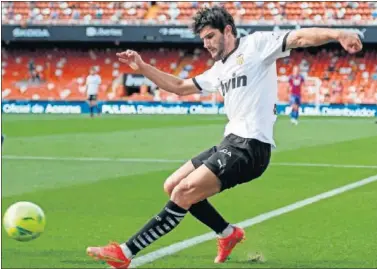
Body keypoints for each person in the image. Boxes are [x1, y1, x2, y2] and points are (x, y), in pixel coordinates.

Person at [86, 6, 362, 268]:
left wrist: (338, 34)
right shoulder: (219, 69)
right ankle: (227, 233)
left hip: (251, 147)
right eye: (202, 38)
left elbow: (299, 37)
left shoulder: (256, 45)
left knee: (184, 192)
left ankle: (125, 252)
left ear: (228, 31)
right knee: (173, 186)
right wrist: (143, 66)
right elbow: (180, 87)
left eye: (210, 36)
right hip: (231, 142)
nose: (205, 44)